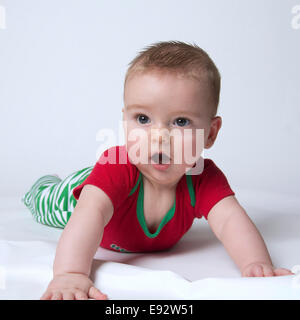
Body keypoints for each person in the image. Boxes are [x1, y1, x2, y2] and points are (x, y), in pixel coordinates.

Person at [22, 41, 293, 300]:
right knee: (43, 200)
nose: (159, 137)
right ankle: (45, 183)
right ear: (125, 121)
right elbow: (89, 214)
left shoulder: (201, 178)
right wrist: (70, 273)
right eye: (143, 119)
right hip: (74, 198)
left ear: (211, 133)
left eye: (180, 121)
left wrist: (256, 264)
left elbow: (231, 221)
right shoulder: (116, 166)